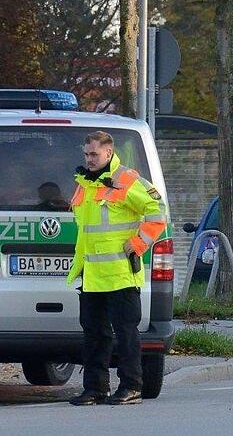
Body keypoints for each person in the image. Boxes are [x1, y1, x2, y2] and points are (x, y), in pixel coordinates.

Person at [65, 131, 166, 406]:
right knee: (94, 334)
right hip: (92, 274)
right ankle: (95, 388)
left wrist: (138, 243)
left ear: (108, 153)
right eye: (86, 154)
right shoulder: (85, 182)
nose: (89, 159)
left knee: (126, 333)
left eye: (94, 154)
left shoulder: (127, 180)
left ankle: (131, 386)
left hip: (120, 273)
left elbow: (159, 213)